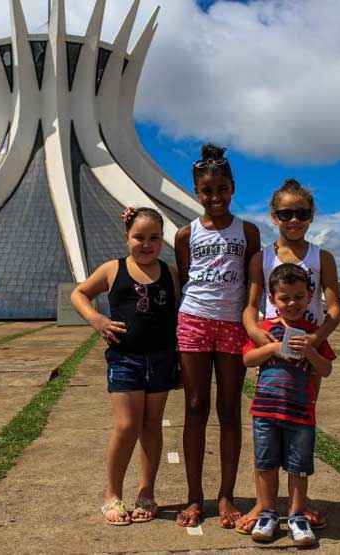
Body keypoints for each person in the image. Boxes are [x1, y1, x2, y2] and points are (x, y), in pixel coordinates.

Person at [236, 178, 340, 533]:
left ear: (311, 216)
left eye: (302, 213)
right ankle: (264, 504)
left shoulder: (321, 257)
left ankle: (298, 506)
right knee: (267, 423)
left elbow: (334, 308)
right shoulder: (261, 258)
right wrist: (258, 336)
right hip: (272, 346)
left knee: (301, 421)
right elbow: (250, 307)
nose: (294, 220)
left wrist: (316, 339)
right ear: (273, 215)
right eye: (286, 213)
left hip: (307, 348)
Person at [71, 207, 180, 526]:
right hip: (125, 359)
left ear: (162, 241)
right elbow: (80, 293)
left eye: (154, 238)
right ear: (127, 238)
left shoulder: (170, 272)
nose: (146, 244)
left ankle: (147, 491)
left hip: (161, 359)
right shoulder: (112, 269)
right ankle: (112, 494)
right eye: (139, 237)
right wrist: (96, 319)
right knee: (126, 426)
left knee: (151, 426)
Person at [174, 144, 261, 528]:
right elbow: (184, 279)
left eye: (222, 189)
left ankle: (225, 494)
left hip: (231, 323)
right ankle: (195, 497)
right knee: (195, 406)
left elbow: (252, 279)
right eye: (207, 191)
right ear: (197, 192)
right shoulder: (185, 233)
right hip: (194, 320)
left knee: (229, 409)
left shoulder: (248, 231)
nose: (215, 197)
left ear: (233, 188)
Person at [242, 263, 335, 547]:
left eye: (298, 296)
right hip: (265, 413)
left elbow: (326, 369)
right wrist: (270, 348)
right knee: (266, 464)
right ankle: (268, 513)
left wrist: (309, 350)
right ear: (272, 300)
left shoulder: (313, 333)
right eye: (284, 298)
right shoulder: (264, 330)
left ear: (309, 296)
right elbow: (248, 360)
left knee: (298, 468)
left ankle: (296, 515)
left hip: (300, 414)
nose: (292, 303)